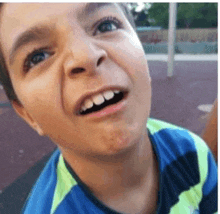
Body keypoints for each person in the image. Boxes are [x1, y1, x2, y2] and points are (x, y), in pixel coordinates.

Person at [0, 3, 217, 214]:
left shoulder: (192, 152)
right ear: (27, 114)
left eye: (106, 26)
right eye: (38, 57)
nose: (86, 55)